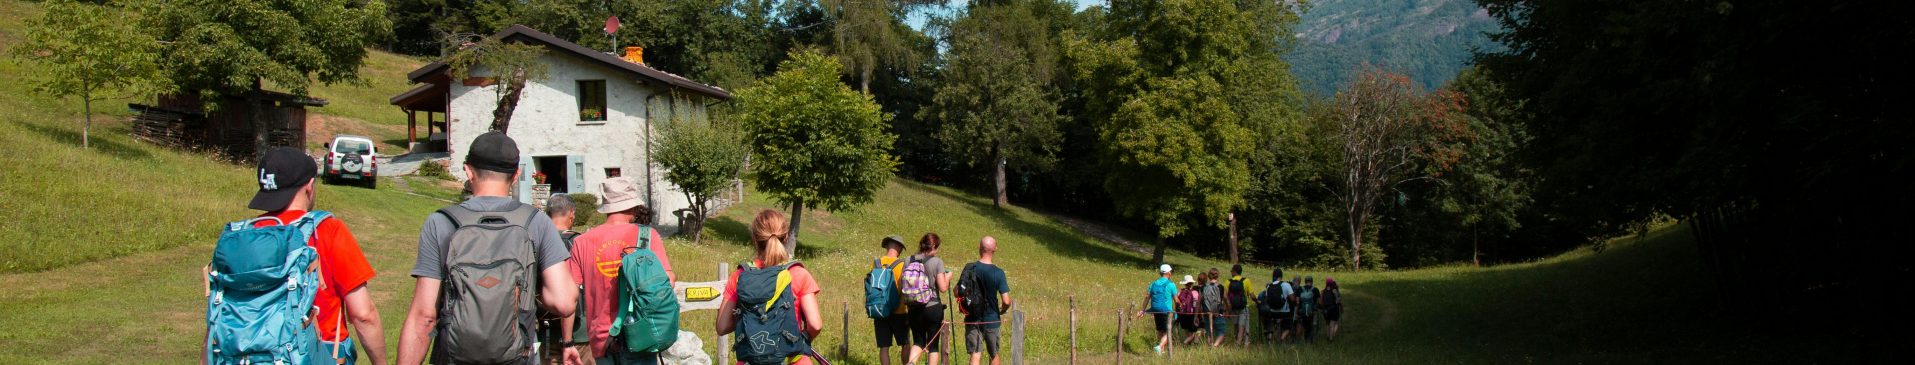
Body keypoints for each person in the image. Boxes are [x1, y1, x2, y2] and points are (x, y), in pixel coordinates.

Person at [396, 131, 578, 365]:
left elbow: (424, 317)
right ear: (516, 175)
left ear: (468, 171)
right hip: (516, 357)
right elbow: (563, 302)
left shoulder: (441, 222)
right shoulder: (536, 222)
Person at [228, 147, 389, 365]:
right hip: (317, 354)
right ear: (310, 187)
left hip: (248, 355)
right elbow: (363, 315)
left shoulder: (241, 239)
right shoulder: (327, 230)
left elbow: (219, 312)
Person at [569, 177, 675, 364]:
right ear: (632, 206)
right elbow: (668, 281)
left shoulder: (581, 242)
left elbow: (570, 298)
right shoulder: (647, 236)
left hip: (601, 339)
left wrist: (567, 342)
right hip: (641, 333)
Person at [715, 209, 825, 364]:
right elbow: (815, 324)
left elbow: (722, 326)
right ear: (786, 237)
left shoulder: (740, 276)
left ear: (754, 239)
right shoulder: (798, 274)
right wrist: (801, 340)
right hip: (794, 359)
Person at [543, 195, 594, 365]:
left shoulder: (536, 241)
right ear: (571, 214)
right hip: (579, 332)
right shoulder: (579, 242)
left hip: (545, 329)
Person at [962, 236, 1013, 365]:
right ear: (995, 249)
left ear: (979, 248)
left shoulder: (970, 268)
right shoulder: (998, 273)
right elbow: (1006, 301)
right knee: (993, 354)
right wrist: (1002, 311)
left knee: (975, 353)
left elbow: (957, 291)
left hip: (972, 318)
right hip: (992, 318)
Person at [904, 233, 953, 365]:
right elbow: (943, 288)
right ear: (934, 247)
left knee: (918, 341)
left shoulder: (908, 260)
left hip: (913, 307)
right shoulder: (937, 262)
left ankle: (911, 363)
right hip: (932, 307)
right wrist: (948, 277)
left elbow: (901, 285)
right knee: (933, 345)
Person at [873, 235, 912, 365]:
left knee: (884, 348)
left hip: (880, 310)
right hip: (899, 311)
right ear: (899, 248)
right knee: (905, 344)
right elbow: (904, 287)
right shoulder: (902, 264)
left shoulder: (877, 263)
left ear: (887, 246)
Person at [1133, 264, 1177, 355]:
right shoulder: (1171, 284)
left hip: (1155, 310)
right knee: (1169, 332)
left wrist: (1143, 310)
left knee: (1160, 330)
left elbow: (1147, 297)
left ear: (1161, 273)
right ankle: (1160, 346)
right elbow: (1176, 300)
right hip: (1167, 311)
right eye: (1171, 272)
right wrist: (1180, 306)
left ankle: (1161, 352)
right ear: (1168, 273)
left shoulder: (1153, 283)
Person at [1224, 265, 1253, 347]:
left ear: (1234, 271)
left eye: (1231, 271)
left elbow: (1225, 296)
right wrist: (1257, 301)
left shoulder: (1228, 281)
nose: (1230, 272)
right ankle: (1238, 344)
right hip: (1243, 307)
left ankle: (1236, 341)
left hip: (1233, 307)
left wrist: (1228, 306)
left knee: (1236, 326)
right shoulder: (1246, 281)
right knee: (1242, 327)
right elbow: (1252, 295)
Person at [1202, 269, 1228, 347]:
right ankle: (1215, 346)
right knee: (1222, 332)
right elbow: (1225, 299)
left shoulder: (1204, 287)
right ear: (1217, 275)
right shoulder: (1221, 287)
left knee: (1209, 333)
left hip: (1207, 313)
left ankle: (1210, 347)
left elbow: (1200, 301)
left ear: (1209, 276)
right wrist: (1227, 310)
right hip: (1218, 313)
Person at [1176, 275, 1205, 345]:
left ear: (1184, 284)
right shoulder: (1195, 293)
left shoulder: (1180, 292)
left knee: (1187, 331)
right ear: (1192, 283)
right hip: (1191, 315)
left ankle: (1188, 346)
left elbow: (1177, 304)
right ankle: (1184, 343)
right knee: (1193, 333)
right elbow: (1196, 305)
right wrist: (1196, 316)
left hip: (1182, 315)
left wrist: (1177, 315)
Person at [1299, 276, 1320, 343]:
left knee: (1304, 325)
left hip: (1302, 311)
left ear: (1305, 281)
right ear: (1312, 281)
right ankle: (1311, 340)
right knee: (1312, 325)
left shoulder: (1300, 289)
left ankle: (1304, 339)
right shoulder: (1315, 289)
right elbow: (1319, 301)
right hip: (1312, 311)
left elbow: (1297, 300)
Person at [1323, 277, 1343, 342]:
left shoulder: (1323, 291)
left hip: (1326, 310)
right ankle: (1331, 339)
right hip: (1334, 309)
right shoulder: (1334, 290)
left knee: (1327, 324)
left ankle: (1327, 336)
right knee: (1332, 324)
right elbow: (1338, 300)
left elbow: (1321, 301)